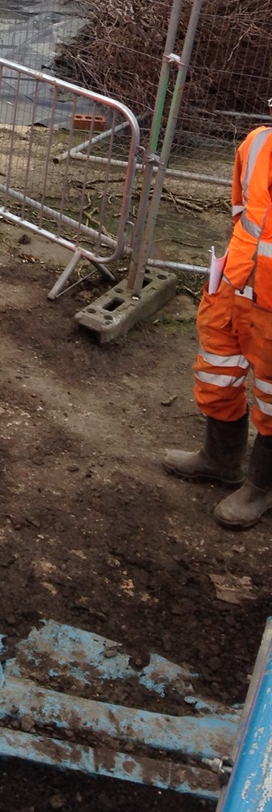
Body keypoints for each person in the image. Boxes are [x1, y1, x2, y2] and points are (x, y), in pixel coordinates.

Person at [164, 123, 272, 528]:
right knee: (217, 372)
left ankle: (261, 486)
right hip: (236, 285)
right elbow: (243, 211)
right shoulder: (258, 141)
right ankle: (220, 459)